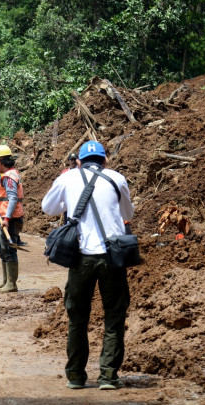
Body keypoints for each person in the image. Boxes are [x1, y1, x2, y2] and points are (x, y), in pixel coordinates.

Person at [41, 140, 134, 390]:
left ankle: (76, 376)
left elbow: (47, 208)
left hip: (81, 256)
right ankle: (108, 376)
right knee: (114, 316)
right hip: (113, 255)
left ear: (79, 161)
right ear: (105, 161)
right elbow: (128, 214)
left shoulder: (68, 178)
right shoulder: (117, 178)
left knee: (77, 318)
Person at [0, 145, 24, 293]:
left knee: (9, 249)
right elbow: (6, 197)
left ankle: (12, 283)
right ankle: (6, 280)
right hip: (4, 217)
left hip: (9, 219)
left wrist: (7, 218)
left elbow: (12, 198)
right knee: (3, 248)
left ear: (0, 161)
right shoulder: (9, 175)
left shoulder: (9, 177)